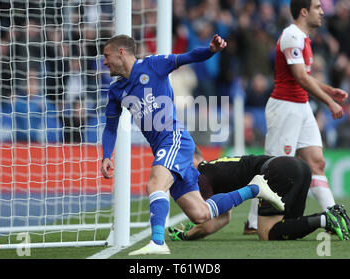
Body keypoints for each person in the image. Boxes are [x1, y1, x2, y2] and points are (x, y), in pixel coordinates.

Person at [100, 34, 284, 255]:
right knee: (200, 214)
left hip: (175, 139)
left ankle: (157, 243)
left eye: (106, 55)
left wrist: (211, 50)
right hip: (162, 147)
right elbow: (110, 127)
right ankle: (256, 188)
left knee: (155, 186)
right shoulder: (116, 90)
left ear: (121, 52)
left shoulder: (153, 64)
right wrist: (107, 155)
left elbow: (188, 57)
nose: (104, 61)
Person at [246, 0, 349, 233]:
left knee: (317, 162)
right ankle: (252, 222)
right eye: (317, 7)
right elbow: (300, 77)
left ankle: (333, 219)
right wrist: (329, 102)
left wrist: (328, 90)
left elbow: (305, 78)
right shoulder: (291, 36)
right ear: (303, 12)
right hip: (285, 107)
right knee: (273, 167)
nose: (322, 11)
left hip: (300, 106)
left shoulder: (303, 38)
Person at [168, 147, 350, 242]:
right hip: (298, 167)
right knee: (286, 230)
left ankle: (326, 219)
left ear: (195, 159)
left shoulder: (201, 174)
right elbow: (222, 218)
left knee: (266, 233)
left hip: (277, 172)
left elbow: (206, 221)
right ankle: (333, 218)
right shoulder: (216, 168)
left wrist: (186, 235)